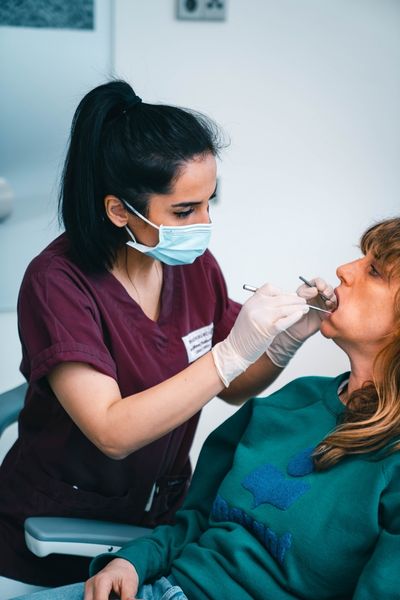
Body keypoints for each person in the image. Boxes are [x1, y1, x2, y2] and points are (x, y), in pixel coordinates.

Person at [0, 79, 335, 591]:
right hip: (53, 529)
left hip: (154, 529)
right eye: (184, 211)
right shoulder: (57, 284)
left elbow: (233, 386)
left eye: (208, 203)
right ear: (118, 211)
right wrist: (230, 352)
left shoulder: (192, 268)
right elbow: (112, 432)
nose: (203, 225)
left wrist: (287, 341)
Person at [15, 217, 400, 600]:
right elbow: (195, 519)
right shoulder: (294, 402)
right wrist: (133, 561)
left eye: (375, 271)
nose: (343, 271)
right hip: (159, 585)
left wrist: (252, 352)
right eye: (184, 208)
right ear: (116, 210)